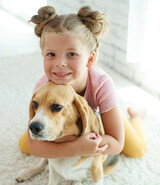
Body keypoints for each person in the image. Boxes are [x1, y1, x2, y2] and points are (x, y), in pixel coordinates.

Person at [19, 5, 146, 159]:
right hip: (60, 123)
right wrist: (76, 147)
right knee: (24, 146)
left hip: (100, 116)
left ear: (90, 59)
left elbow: (116, 143)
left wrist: (77, 145)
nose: (60, 63)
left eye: (72, 54)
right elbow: (35, 148)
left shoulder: (102, 84)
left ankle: (136, 116)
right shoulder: (43, 87)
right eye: (51, 54)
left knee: (137, 151)